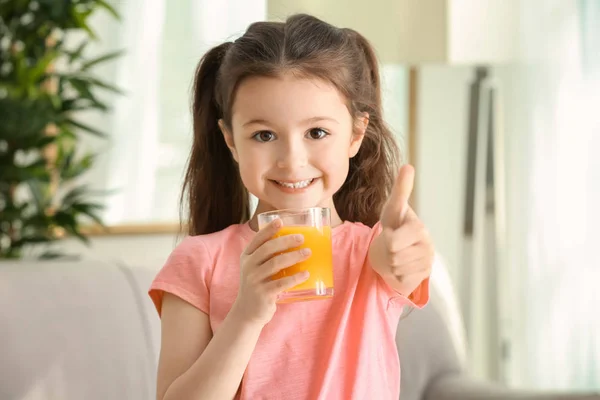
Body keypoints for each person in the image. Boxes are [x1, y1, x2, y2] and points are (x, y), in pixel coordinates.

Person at [148, 13, 433, 400]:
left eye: (317, 132)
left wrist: (408, 252)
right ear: (231, 142)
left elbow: (400, 264)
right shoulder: (199, 262)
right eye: (264, 135)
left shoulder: (371, 254)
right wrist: (247, 313)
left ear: (355, 134)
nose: (291, 160)